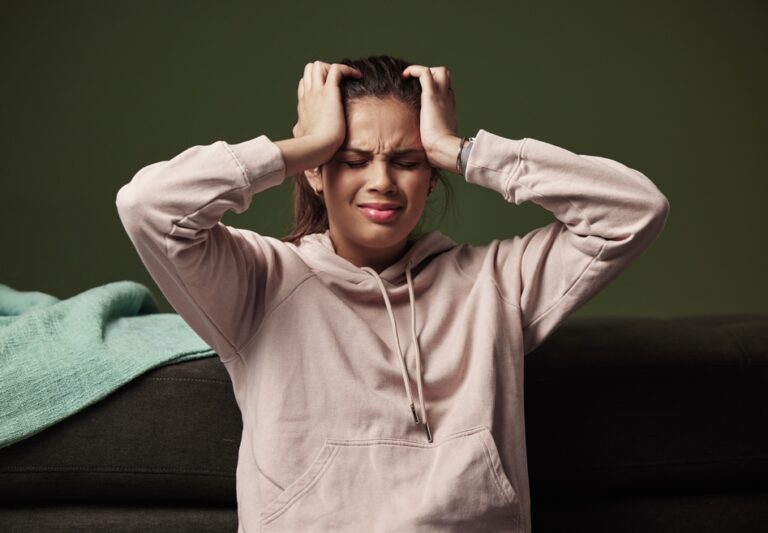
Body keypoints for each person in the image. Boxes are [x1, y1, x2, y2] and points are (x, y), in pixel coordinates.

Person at [115, 54, 669, 533]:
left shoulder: (497, 281)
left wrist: (463, 151)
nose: (381, 181)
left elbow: (634, 210)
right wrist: (306, 145)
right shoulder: (259, 280)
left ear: (431, 176)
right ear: (316, 173)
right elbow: (149, 206)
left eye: (407, 162)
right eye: (353, 160)